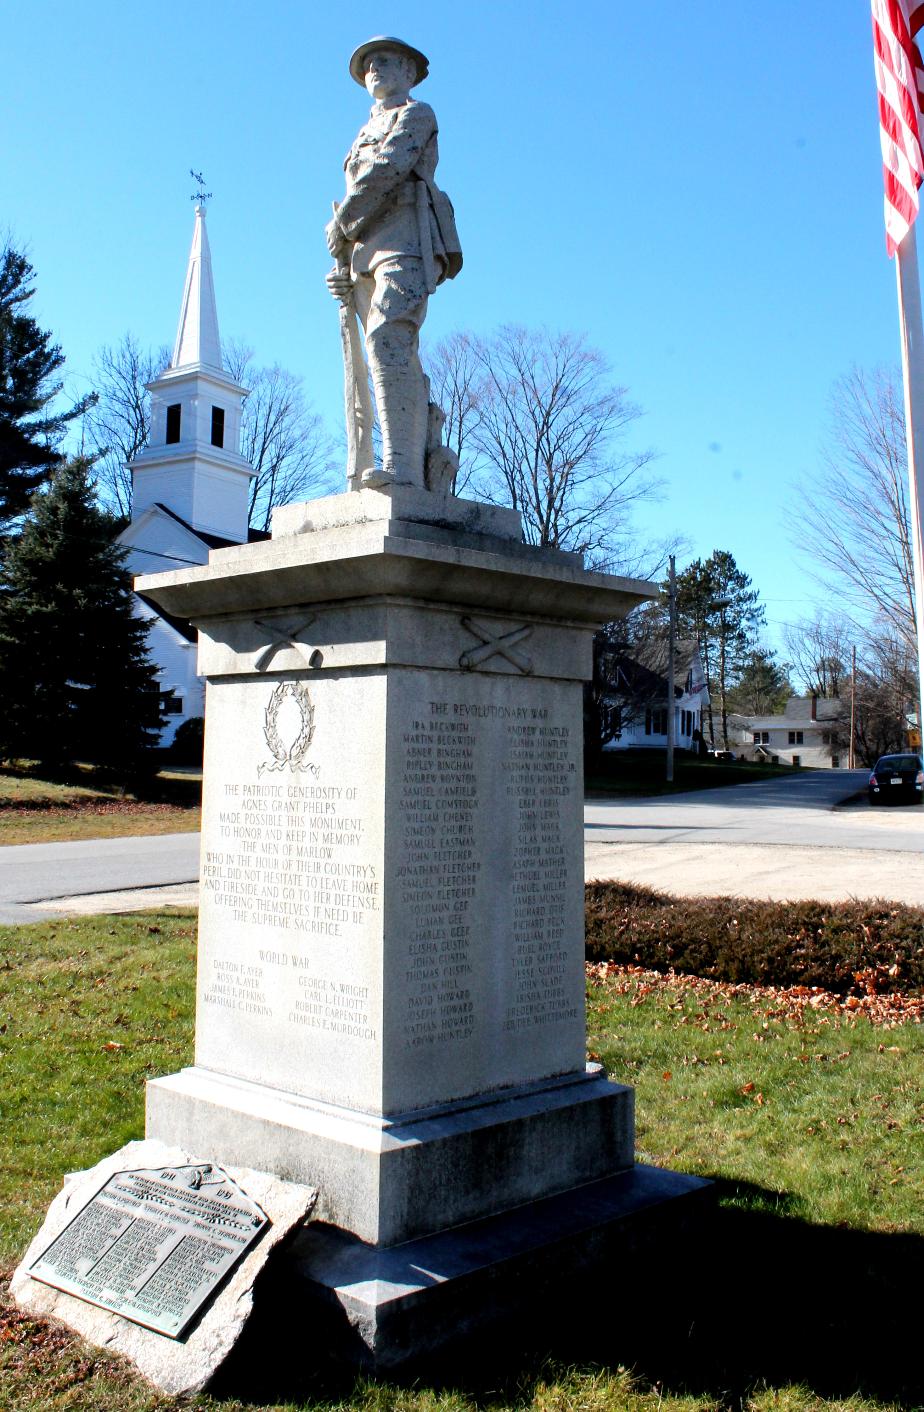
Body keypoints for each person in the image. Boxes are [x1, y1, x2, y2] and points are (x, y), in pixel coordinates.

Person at [325, 37, 462, 488]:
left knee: (388, 336)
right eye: (367, 64)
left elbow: (388, 168)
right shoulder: (359, 133)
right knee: (381, 351)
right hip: (364, 250)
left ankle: (403, 468)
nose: (374, 69)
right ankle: (406, 457)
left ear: (409, 72)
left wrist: (344, 219)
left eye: (385, 61)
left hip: (408, 237)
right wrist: (343, 258)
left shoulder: (417, 114)